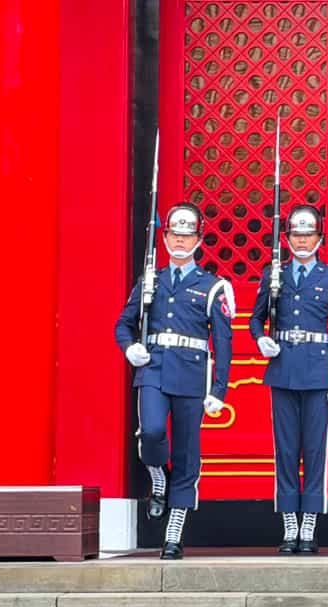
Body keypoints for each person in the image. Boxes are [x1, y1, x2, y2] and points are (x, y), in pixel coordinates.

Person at [115, 202, 234, 560]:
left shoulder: (212, 286)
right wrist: (129, 346)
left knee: (186, 453)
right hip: (152, 368)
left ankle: (174, 531)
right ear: (165, 237)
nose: (180, 242)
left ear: (198, 239)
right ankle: (157, 476)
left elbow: (224, 344)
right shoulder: (151, 280)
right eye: (175, 235)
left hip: (190, 375)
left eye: (187, 235)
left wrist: (218, 391)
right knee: (150, 432)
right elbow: (124, 322)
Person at [250, 205, 328, 555]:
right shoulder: (273, 275)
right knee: (285, 451)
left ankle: (309, 524)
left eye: (308, 234)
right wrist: (260, 338)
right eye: (296, 234)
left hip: (316, 371)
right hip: (282, 368)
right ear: (287, 238)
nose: (301, 240)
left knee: (314, 450)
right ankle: (289, 525)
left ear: (319, 238)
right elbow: (257, 318)